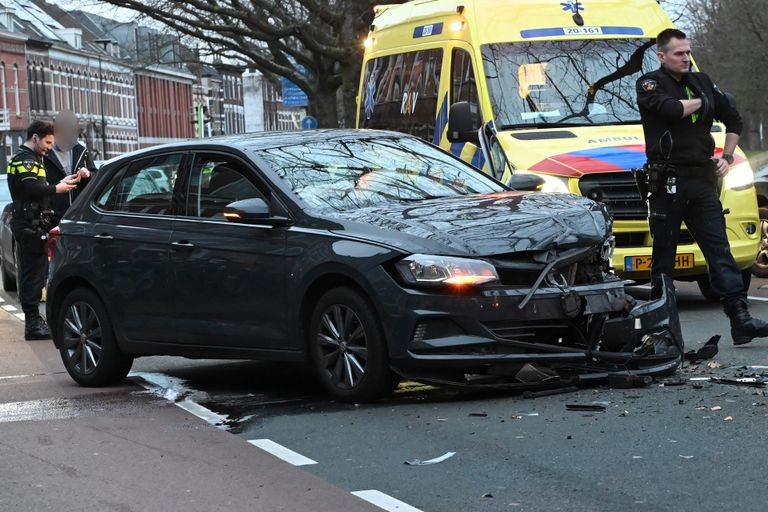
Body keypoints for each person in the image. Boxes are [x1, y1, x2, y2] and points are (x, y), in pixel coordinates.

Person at [636, 28, 768, 346]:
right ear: (662, 55)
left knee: (720, 251)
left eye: (688, 52)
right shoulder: (649, 83)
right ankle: (662, 328)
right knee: (663, 256)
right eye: (679, 53)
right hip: (667, 182)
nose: (685, 58)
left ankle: (741, 320)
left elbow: (732, 119)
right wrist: (704, 100)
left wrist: (728, 155)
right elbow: (672, 110)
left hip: (702, 179)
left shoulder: (702, 81)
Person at [7, 121, 77, 340]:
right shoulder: (25, 160)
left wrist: (62, 182)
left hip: (32, 222)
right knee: (32, 274)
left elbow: (36, 189)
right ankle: (32, 324)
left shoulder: (31, 158)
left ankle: (35, 321)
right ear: (35, 138)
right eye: (47, 142)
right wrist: (58, 188)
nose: (49, 147)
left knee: (35, 273)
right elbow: (31, 189)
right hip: (29, 225)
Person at [45, 110, 97, 223]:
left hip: (79, 213)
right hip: (54, 215)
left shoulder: (81, 151)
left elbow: (96, 176)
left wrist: (87, 174)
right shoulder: (45, 152)